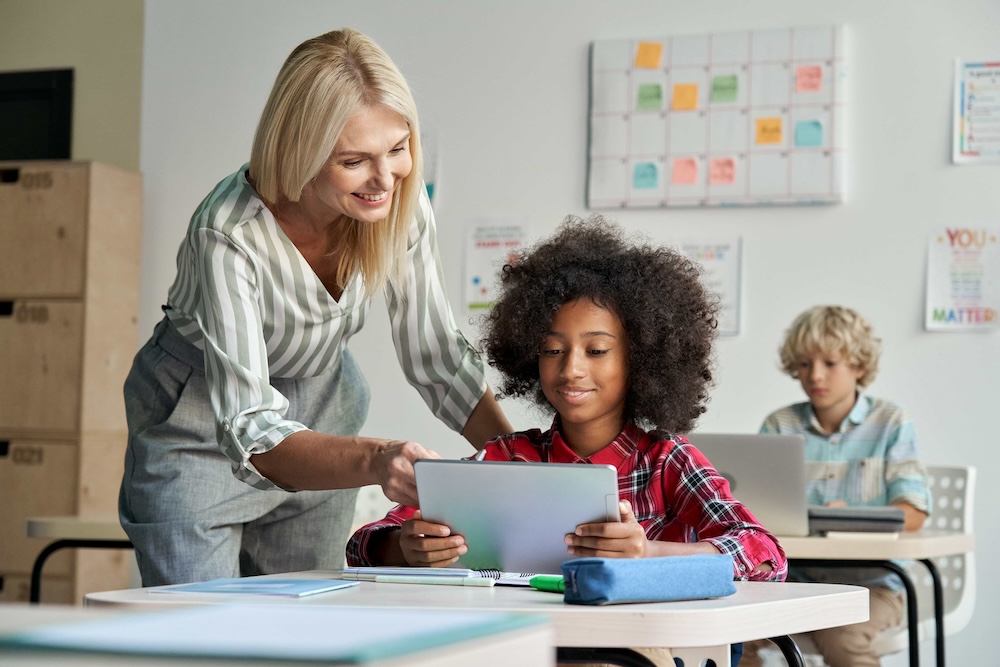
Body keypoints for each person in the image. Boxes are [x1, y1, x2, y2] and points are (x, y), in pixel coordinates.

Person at [119, 28, 512, 586]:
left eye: (397, 149)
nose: (385, 180)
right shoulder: (228, 235)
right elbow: (254, 430)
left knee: (309, 624)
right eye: (355, 161)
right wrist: (379, 459)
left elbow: (436, 356)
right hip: (200, 417)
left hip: (322, 408)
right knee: (203, 636)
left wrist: (515, 461)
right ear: (299, 151)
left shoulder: (398, 204)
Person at [347, 215, 786, 667]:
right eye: (553, 350)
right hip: (523, 643)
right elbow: (364, 543)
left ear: (642, 360)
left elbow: (765, 554)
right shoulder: (506, 456)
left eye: (596, 351)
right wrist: (404, 546)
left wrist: (646, 554)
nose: (571, 368)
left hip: (633, 646)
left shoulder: (666, 460)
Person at [741, 305, 932, 667]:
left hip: (874, 584)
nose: (815, 375)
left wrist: (853, 518)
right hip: (795, 581)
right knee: (733, 629)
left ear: (859, 366)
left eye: (830, 363)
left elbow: (914, 513)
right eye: (804, 364)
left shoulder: (891, 422)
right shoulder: (779, 424)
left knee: (842, 637)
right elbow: (756, 513)